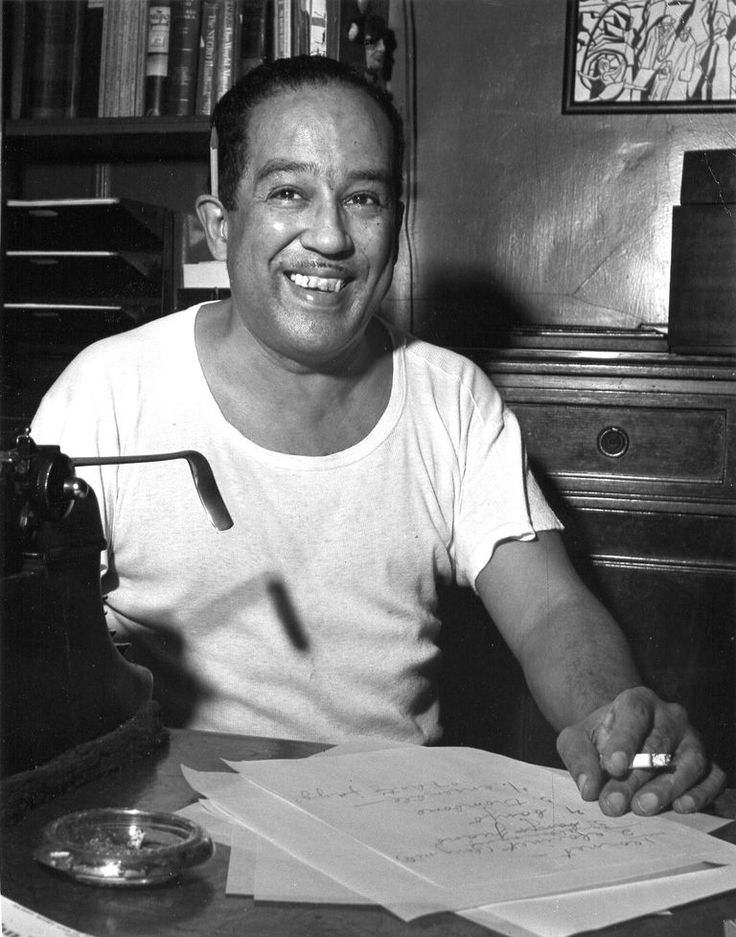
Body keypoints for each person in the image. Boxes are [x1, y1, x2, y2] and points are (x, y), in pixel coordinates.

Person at [31, 55, 724, 818]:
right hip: (161, 822)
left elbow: (550, 611)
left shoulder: (450, 396)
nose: (329, 235)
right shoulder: (106, 391)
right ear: (217, 225)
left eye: (363, 197)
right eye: (288, 192)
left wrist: (614, 719)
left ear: (395, 225)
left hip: (392, 833)